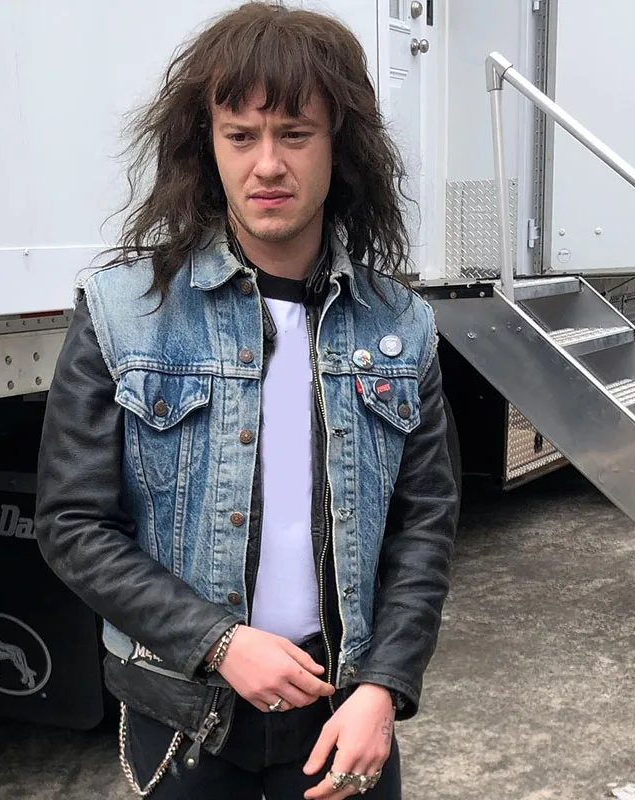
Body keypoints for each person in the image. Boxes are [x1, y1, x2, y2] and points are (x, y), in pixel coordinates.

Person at [35, 2, 458, 798]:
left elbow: (424, 527)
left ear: (339, 146)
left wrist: (383, 687)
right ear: (209, 146)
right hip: (184, 717)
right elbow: (72, 524)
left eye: (295, 134)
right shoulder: (123, 313)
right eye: (241, 135)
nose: (268, 164)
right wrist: (220, 642)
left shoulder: (402, 326)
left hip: (342, 712)